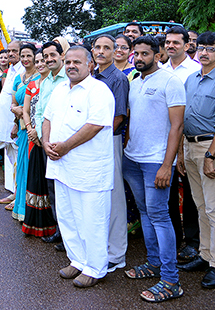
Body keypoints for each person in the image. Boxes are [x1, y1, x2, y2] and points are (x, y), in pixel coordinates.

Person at [43, 45, 115, 288]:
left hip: (89, 169)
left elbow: (94, 126)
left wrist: (64, 147)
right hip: (61, 166)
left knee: (91, 219)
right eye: (69, 61)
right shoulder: (61, 88)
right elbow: (47, 118)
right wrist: (46, 143)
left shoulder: (99, 90)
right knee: (67, 216)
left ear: (90, 65)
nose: (72, 65)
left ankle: (95, 268)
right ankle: (77, 260)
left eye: (78, 62)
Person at [122, 36, 185, 303]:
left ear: (158, 55)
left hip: (155, 162)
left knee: (160, 216)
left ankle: (171, 281)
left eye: (145, 54)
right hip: (132, 159)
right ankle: (154, 263)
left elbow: (177, 127)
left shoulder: (172, 82)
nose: (138, 58)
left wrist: (166, 165)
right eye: (136, 53)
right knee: (146, 212)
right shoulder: (134, 83)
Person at [177, 31, 215, 289]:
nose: (204, 52)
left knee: (214, 208)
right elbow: (183, 118)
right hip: (189, 147)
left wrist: (211, 155)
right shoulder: (191, 79)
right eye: (200, 47)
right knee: (201, 206)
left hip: (211, 148)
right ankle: (205, 254)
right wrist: (181, 152)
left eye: (210, 49)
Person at [161, 25, 202, 262]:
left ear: (187, 45)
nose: (171, 46)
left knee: (190, 194)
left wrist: (182, 150)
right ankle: (174, 238)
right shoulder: (162, 71)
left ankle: (194, 242)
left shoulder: (195, 71)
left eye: (176, 42)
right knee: (167, 195)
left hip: (187, 140)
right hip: (165, 141)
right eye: (168, 42)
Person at [92, 35, 130, 273]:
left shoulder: (117, 78)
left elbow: (119, 117)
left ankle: (116, 254)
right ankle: (99, 248)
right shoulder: (91, 75)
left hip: (109, 140)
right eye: (97, 47)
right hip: (90, 144)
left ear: (115, 51)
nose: (101, 51)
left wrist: (95, 136)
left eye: (107, 48)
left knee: (114, 196)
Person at [31, 41, 67, 245]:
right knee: (52, 189)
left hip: (63, 144)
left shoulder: (67, 80)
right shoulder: (45, 81)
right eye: (46, 56)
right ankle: (59, 231)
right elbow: (40, 112)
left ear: (62, 55)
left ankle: (69, 236)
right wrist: (39, 136)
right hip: (45, 142)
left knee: (65, 190)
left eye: (53, 55)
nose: (49, 59)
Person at [20, 48, 57, 237]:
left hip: (48, 137)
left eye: (44, 60)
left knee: (49, 182)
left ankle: (53, 225)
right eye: (38, 61)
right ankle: (35, 223)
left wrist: (41, 133)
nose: (41, 63)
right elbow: (27, 110)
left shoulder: (57, 82)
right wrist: (30, 129)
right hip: (33, 136)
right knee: (35, 179)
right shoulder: (33, 84)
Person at [0, 40, 23, 199]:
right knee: (9, 156)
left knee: (17, 157)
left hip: (14, 122)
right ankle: (13, 191)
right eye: (9, 51)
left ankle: (18, 193)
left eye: (14, 51)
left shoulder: (23, 70)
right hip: (5, 121)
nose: (10, 54)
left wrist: (16, 123)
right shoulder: (10, 69)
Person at [10, 43, 40, 219]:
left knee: (32, 167)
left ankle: (33, 209)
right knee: (21, 166)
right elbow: (13, 104)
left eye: (29, 56)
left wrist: (24, 110)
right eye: (23, 56)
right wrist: (17, 112)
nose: (25, 59)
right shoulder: (18, 78)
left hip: (35, 128)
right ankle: (21, 208)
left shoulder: (40, 77)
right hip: (22, 128)